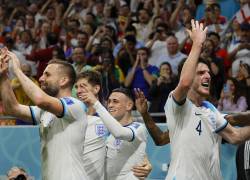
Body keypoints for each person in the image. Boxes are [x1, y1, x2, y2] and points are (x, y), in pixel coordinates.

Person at [164, 19, 250, 180]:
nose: (208, 76)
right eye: (201, 72)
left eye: (209, 72)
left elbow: (235, 136)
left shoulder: (209, 108)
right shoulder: (176, 105)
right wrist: (197, 44)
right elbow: (184, 82)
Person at [0, 49, 89, 180]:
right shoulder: (44, 112)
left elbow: (40, 100)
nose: (41, 78)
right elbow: (12, 109)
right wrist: (4, 75)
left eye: (47, 75)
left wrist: (18, 71)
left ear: (63, 80)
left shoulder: (75, 105)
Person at [75, 70, 152, 180]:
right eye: (76, 87)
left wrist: (146, 162)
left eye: (82, 86)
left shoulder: (106, 120)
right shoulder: (74, 116)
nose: (78, 91)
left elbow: (127, 138)